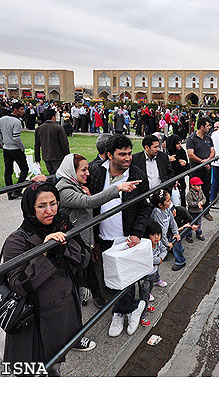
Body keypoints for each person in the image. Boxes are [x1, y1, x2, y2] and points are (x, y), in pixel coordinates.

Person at [1, 182, 93, 376]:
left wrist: (63, 245)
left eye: (53, 203)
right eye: (42, 206)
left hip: (64, 311)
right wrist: (44, 253)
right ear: (30, 208)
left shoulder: (63, 224)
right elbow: (18, 286)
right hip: (33, 321)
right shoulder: (17, 240)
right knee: (33, 371)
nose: (50, 210)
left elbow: (84, 260)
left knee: (56, 363)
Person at [86, 135, 151, 337]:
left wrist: (136, 234)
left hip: (126, 237)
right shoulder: (96, 171)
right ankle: (125, 308)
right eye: (122, 154)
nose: (127, 158)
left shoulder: (138, 175)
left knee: (127, 277)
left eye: (130, 153)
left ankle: (126, 310)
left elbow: (144, 208)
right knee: (109, 277)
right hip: (102, 237)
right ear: (109, 155)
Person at [56, 153, 140, 308]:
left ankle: (96, 295)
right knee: (78, 276)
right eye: (83, 170)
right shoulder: (64, 189)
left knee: (89, 270)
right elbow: (89, 202)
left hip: (83, 241)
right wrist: (117, 188)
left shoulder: (74, 185)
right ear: (70, 170)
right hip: (74, 244)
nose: (87, 173)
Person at [186, 117, 215, 220]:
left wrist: (207, 160)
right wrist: (202, 162)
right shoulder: (191, 139)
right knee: (193, 191)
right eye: (207, 126)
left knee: (206, 190)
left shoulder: (208, 138)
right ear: (202, 127)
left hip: (206, 169)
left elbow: (213, 151)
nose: (209, 127)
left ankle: (206, 210)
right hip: (196, 169)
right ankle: (192, 214)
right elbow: (190, 154)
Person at [149, 189, 184, 272]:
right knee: (156, 256)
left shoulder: (168, 208)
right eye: (168, 201)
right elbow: (160, 230)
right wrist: (166, 243)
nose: (170, 202)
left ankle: (179, 259)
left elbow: (173, 222)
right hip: (157, 237)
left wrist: (176, 233)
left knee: (176, 239)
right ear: (160, 205)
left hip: (164, 235)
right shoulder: (157, 212)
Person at [138, 221, 164, 327]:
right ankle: (142, 316)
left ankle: (146, 305)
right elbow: (147, 260)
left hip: (152, 274)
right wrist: (158, 260)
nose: (156, 237)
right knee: (144, 295)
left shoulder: (158, 244)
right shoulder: (145, 247)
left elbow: (164, 250)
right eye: (153, 235)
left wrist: (161, 257)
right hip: (145, 276)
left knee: (148, 292)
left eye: (158, 235)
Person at [0, 102, 28, 200]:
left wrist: (2, 143)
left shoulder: (2, 119)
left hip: (6, 148)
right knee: (24, 169)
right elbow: (16, 138)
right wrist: (22, 148)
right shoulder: (17, 122)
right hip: (15, 149)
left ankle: (9, 193)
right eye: (21, 109)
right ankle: (17, 191)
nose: (23, 111)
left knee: (8, 171)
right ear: (15, 110)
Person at [34, 108, 70, 175]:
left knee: (52, 174)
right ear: (53, 117)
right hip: (58, 156)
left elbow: (37, 145)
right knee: (59, 175)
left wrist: (37, 158)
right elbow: (64, 144)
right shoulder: (58, 128)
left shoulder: (39, 129)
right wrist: (67, 156)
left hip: (46, 156)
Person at [166, 134, 189, 207]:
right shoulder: (168, 153)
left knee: (181, 199)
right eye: (177, 143)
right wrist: (169, 160)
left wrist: (185, 164)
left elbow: (188, 168)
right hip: (171, 181)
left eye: (180, 143)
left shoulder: (182, 152)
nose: (180, 145)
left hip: (181, 179)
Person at [186, 177, 206, 242]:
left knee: (199, 223)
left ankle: (199, 233)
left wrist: (201, 202)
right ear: (192, 186)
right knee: (191, 224)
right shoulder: (189, 193)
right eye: (198, 185)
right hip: (192, 212)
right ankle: (189, 235)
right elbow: (190, 203)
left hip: (199, 211)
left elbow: (204, 198)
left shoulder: (200, 192)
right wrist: (197, 204)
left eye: (200, 185)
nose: (199, 187)